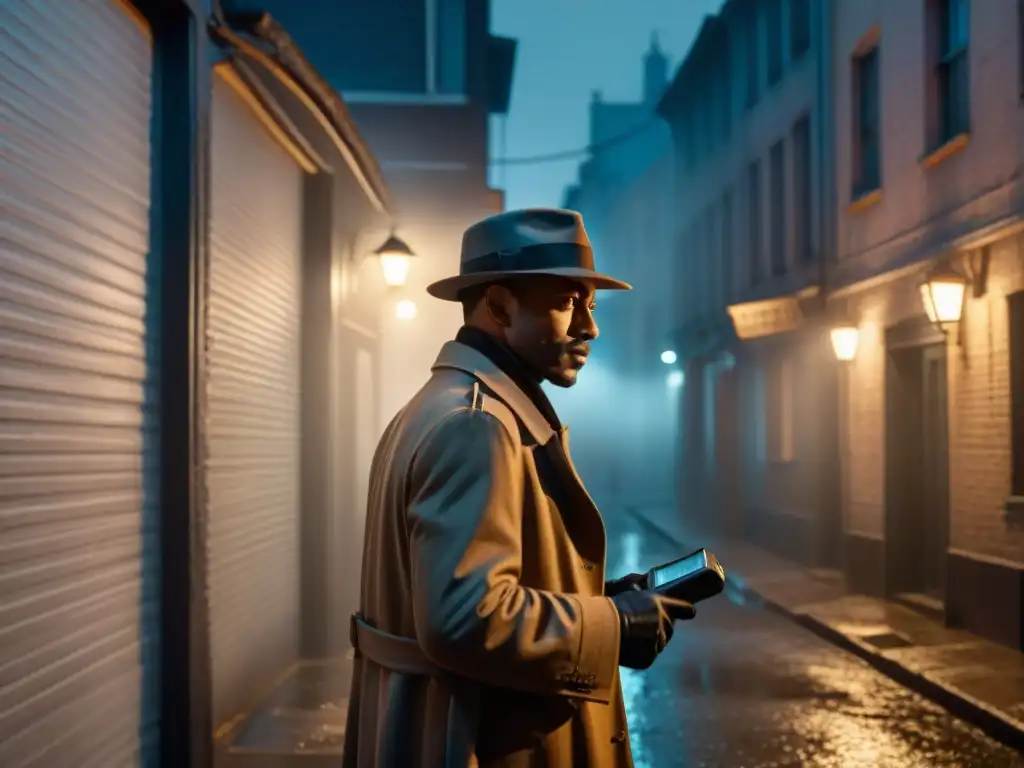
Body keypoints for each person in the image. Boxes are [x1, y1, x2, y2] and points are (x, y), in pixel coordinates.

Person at [342, 208, 695, 768]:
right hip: (478, 742)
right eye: (565, 302)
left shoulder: (442, 406)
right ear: (501, 306)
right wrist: (613, 624)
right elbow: (464, 617)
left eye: (591, 305)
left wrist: (598, 601)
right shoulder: (475, 424)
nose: (590, 327)